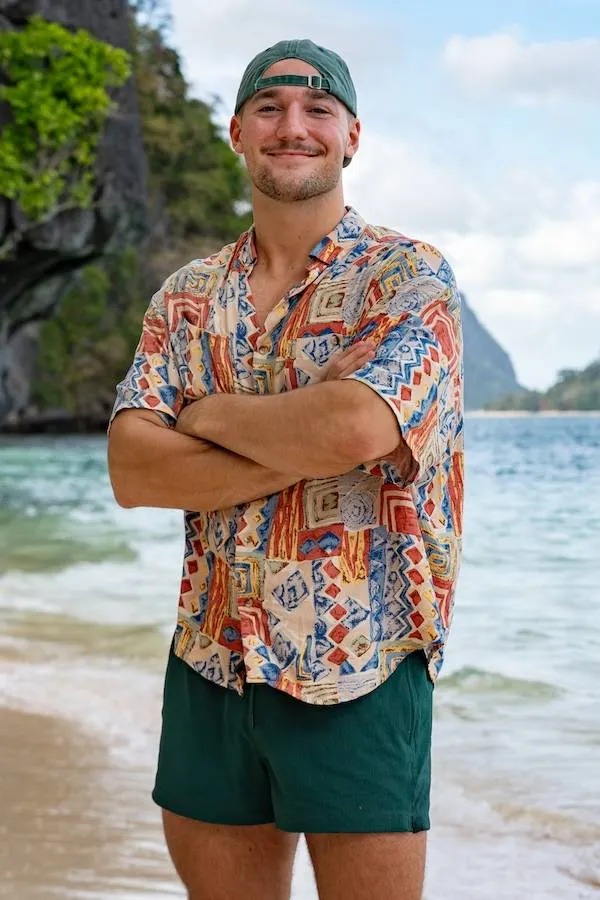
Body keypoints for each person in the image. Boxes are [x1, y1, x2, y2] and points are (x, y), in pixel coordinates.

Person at [108, 38, 464, 900]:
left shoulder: (408, 278)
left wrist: (206, 417)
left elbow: (356, 426)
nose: (292, 125)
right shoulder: (186, 297)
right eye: (269, 107)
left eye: (317, 109)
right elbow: (132, 469)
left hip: (362, 663)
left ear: (352, 136)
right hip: (210, 660)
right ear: (237, 132)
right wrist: (301, 438)